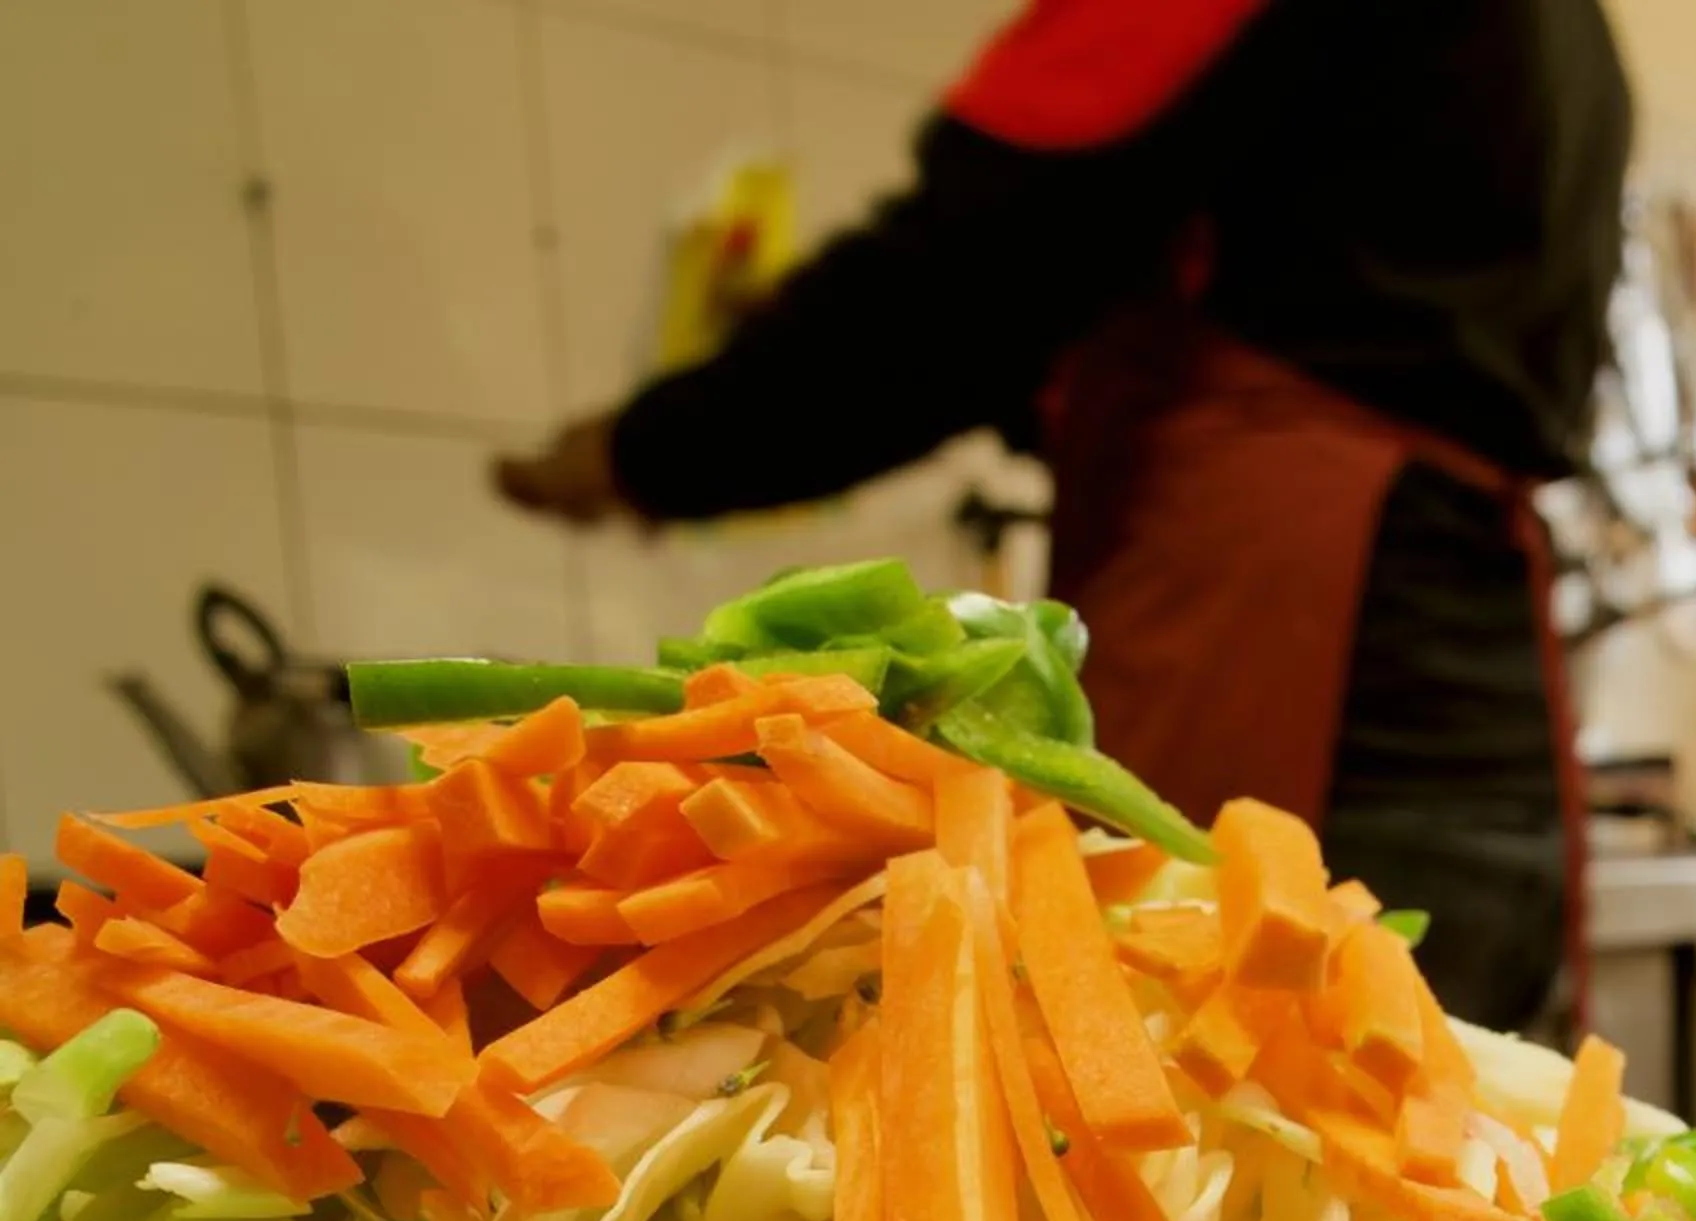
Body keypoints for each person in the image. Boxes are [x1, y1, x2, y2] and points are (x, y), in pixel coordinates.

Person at [496, 0, 1629, 1033]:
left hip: (1286, 653)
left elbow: (984, 264)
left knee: (1196, 1113)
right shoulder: (1566, 34)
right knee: (1451, 1175)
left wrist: (656, 450)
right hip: (1477, 698)